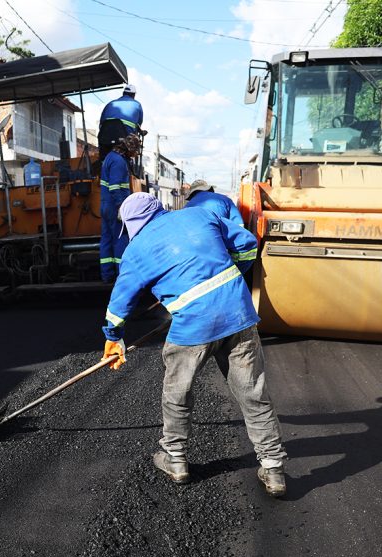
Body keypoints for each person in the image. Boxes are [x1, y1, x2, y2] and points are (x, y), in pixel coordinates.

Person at [100, 192, 287, 496]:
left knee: (177, 394)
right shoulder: (199, 214)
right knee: (254, 395)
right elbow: (246, 244)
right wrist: (227, 282)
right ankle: (274, 468)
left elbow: (120, 303)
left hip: (193, 326)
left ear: (131, 224)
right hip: (238, 314)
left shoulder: (136, 250)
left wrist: (113, 337)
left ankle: (175, 459)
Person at [99, 133, 140, 283]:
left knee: (106, 239)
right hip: (115, 207)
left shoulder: (110, 157)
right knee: (120, 239)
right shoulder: (119, 161)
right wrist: (121, 207)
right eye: (134, 151)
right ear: (129, 148)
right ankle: (121, 276)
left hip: (106, 205)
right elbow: (115, 187)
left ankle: (107, 275)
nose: (134, 154)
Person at [98, 84, 144, 160]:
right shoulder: (137, 105)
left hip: (105, 135)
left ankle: (102, 161)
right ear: (134, 95)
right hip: (124, 136)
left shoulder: (110, 103)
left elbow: (101, 123)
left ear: (123, 93)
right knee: (132, 148)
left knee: (102, 157)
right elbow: (139, 123)